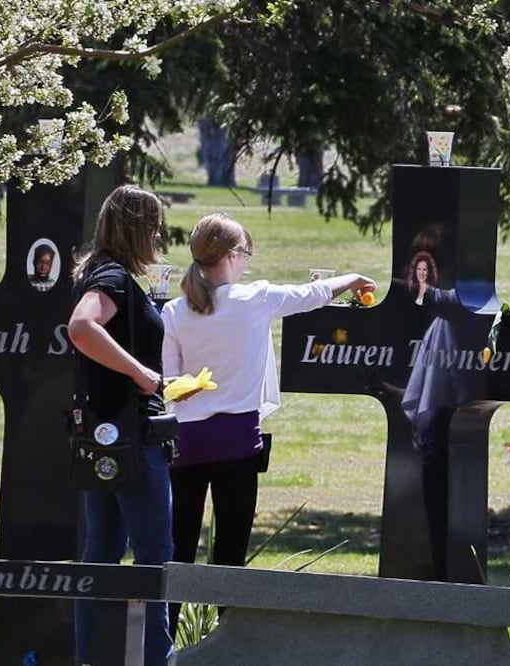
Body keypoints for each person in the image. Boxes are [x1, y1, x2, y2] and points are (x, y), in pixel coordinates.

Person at [161, 212, 375, 635]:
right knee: (231, 555)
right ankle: (227, 642)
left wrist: (196, 390)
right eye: (244, 253)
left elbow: (168, 385)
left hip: (186, 444)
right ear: (228, 256)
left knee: (178, 550)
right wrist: (351, 278)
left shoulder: (173, 310)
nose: (246, 261)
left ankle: (161, 641)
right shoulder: (255, 297)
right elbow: (311, 293)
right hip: (237, 443)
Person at [67, 185, 173, 666]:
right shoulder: (110, 276)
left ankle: (89, 658)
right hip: (132, 439)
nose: (158, 237)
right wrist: (141, 373)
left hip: (103, 438)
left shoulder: (103, 271)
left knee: (100, 557)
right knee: (155, 559)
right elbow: (82, 327)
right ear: (137, 229)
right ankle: (155, 660)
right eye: (154, 228)